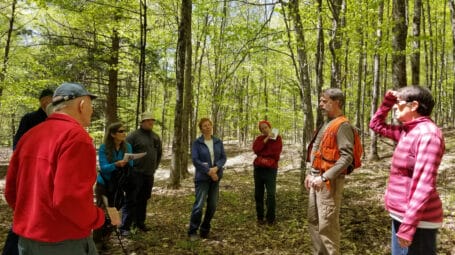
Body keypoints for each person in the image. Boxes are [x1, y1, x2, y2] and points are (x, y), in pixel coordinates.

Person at [4, 82, 104, 255]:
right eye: (90, 105)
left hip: (25, 241)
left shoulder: (29, 136)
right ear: (82, 105)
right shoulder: (77, 138)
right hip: (64, 243)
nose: (92, 111)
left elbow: (11, 192)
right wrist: (98, 217)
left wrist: (32, 218)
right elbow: (69, 199)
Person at [369, 86, 444, 255]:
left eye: (399, 104)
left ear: (414, 105)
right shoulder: (408, 131)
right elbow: (375, 124)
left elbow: (424, 184)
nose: (395, 107)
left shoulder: (428, 135)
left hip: (419, 222)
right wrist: (387, 101)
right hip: (402, 215)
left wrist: (409, 226)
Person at [3, 88, 54, 255]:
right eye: (45, 100)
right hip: (31, 173)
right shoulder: (30, 118)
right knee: (25, 213)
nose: (48, 103)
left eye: (51, 100)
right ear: (40, 102)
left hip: (50, 174)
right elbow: (18, 144)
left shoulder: (56, 120)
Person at [304, 88, 355, 255]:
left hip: (328, 183)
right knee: (314, 220)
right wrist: (310, 173)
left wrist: (324, 177)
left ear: (337, 103)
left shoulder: (343, 125)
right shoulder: (326, 123)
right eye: (320, 100)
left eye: (324, 101)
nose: (320, 104)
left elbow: (346, 157)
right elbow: (318, 151)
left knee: (327, 225)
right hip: (316, 179)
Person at [120, 112, 162, 236]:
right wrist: (130, 170)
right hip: (135, 174)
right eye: (148, 120)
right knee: (131, 199)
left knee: (144, 199)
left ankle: (139, 223)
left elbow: (159, 153)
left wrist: (154, 167)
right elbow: (125, 153)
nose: (151, 122)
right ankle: (125, 227)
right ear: (142, 122)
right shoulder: (133, 136)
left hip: (149, 174)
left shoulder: (155, 137)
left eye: (152, 120)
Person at [93, 122, 133, 249]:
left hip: (117, 185)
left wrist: (127, 163)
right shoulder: (104, 148)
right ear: (112, 134)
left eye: (124, 130)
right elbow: (103, 168)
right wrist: (116, 164)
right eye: (121, 131)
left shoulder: (128, 147)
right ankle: (97, 240)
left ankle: (106, 237)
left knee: (114, 212)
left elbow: (130, 166)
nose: (124, 133)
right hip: (104, 184)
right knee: (102, 212)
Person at [188, 118, 227, 240]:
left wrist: (216, 168)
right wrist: (209, 171)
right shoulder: (197, 143)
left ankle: (205, 229)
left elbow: (223, 157)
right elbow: (195, 160)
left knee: (213, 205)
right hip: (202, 178)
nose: (207, 127)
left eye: (209, 125)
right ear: (201, 129)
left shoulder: (217, 141)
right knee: (199, 205)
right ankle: (192, 231)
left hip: (215, 178)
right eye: (204, 126)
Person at [252, 120, 283, 225]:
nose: (265, 129)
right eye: (262, 128)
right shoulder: (259, 139)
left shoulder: (277, 138)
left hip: (271, 169)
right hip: (259, 169)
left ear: (270, 127)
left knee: (271, 194)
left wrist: (263, 154)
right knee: (258, 194)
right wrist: (266, 139)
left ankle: (271, 218)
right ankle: (260, 217)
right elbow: (256, 149)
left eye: (266, 127)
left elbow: (275, 153)